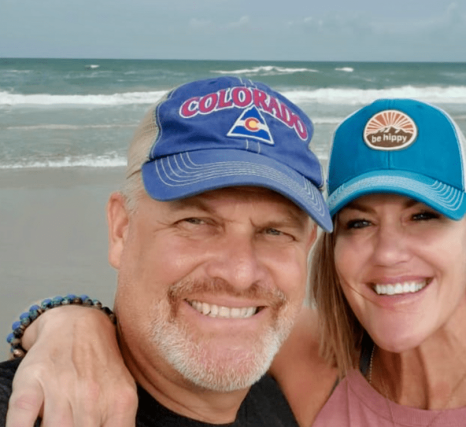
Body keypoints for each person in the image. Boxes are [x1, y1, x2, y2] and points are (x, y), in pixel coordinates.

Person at [6, 99, 466, 426]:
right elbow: (172, 321)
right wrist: (68, 321)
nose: (389, 253)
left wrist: (64, 318)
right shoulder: (302, 356)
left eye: (423, 216)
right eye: (358, 223)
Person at [0, 75, 334, 427]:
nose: (240, 274)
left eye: (274, 231)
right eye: (195, 222)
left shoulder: (287, 393)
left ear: (307, 245)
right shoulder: (32, 407)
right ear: (121, 230)